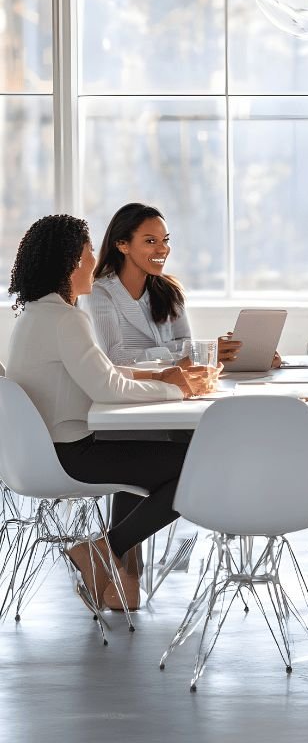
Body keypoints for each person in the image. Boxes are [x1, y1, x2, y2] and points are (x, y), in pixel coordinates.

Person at [4, 214, 215, 612]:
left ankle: (118, 573)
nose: (93, 262)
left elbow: (99, 371)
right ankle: (104, 549)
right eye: (87, 253)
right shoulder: (67, 319)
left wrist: (159, 376)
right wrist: (177, 389)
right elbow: (107, 388)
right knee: (199, 464)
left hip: (39, 457)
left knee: (169, 458)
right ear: (69, 262)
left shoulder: (36, 315)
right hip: (70, 456)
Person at [81, 202, 245, 367]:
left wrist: (215, 350)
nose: (163, 249)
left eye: (165, 240)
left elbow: (187, 348)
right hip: (133, 383)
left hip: (175, 380)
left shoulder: (170, 291)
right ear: (123, 245)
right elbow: (113, 357)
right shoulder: (99, 293)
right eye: (151, 241)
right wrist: (197, 352)